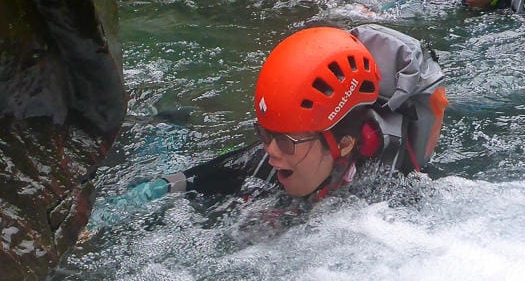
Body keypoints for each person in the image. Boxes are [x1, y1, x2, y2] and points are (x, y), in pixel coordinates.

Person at [92, 26, 447, 220]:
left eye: (286, 141)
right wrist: (109, 213)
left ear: (345, 144)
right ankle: (171, 124)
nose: (270, 152)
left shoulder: (388, 189)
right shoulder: (276, 151)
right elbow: (189, 180)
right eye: (266, 134)